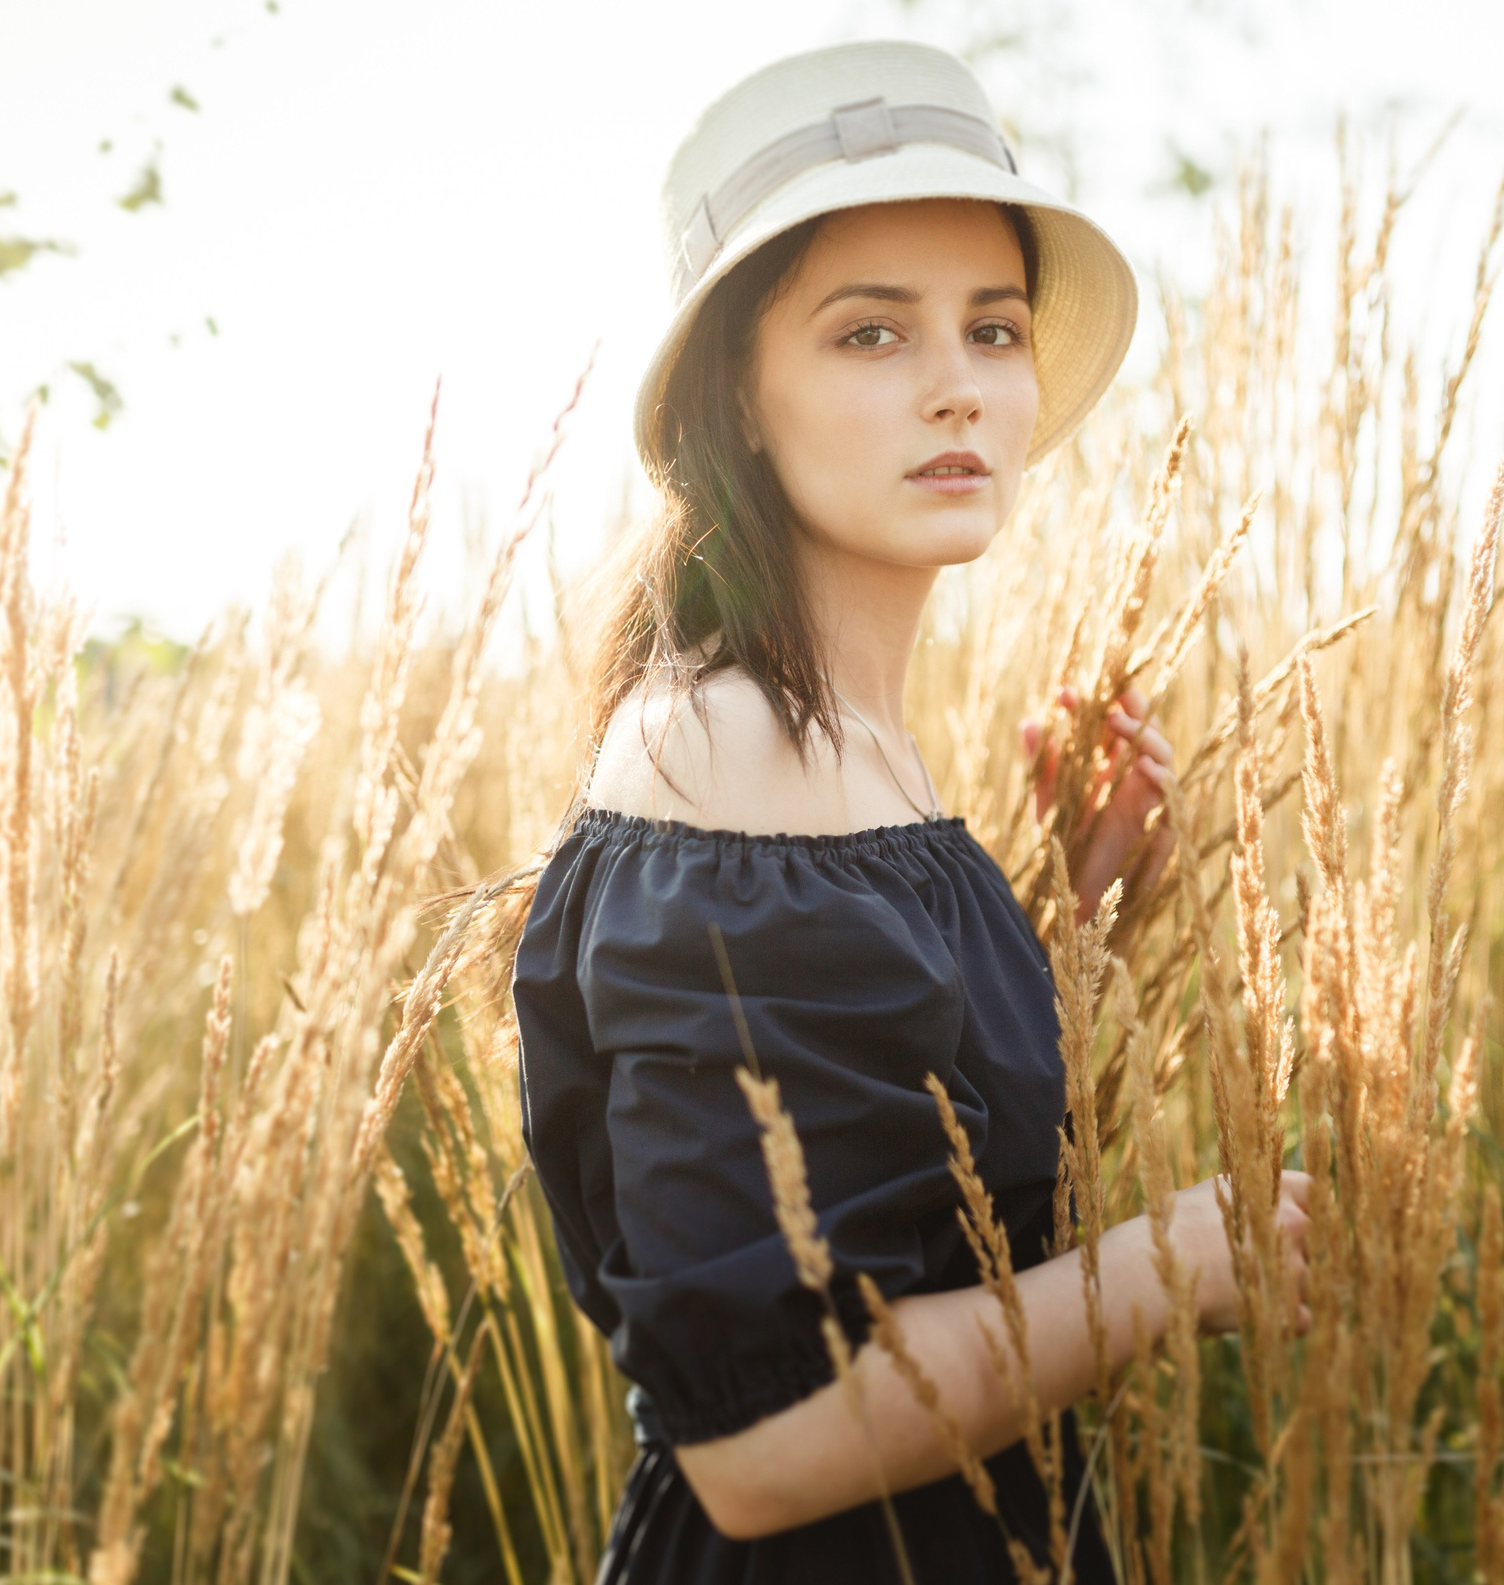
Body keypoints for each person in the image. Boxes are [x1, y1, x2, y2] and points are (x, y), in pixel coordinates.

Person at [511, 40, 1313, 1582]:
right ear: (737, 398)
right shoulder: (730, 749)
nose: (958, 381)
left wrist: (1079, 899)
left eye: (992, 327)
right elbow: (765, 1442)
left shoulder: (847, 744)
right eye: (871, 331)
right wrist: (1166, 1266)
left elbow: (919, 1186)